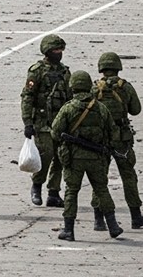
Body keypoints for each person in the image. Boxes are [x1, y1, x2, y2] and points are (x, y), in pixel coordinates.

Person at [52, 71, 122, 240]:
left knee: (71, 192)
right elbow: (113, 132)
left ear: (73, 87)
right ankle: (113, 225)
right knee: (101, 190)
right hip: (96, 157)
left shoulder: (68, 108)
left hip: (74, 158)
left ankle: (68, 230)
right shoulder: (100, 107)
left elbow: (55, 132)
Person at [90, 51, 143, 229]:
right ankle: (136, 217)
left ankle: (99, 219)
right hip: (121, 139)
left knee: (99, 178)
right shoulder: (125, 87)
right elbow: (136, 109)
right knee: (128, 176)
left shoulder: (95, 88)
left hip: (100, 139)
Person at [22, 34, 71, 208]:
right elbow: (27, 97)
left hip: (61, 121)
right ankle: (37, 185)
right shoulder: (37, 71)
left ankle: (53, 192)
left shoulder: (65, 71)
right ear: (47, 52)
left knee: (60, 157)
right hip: (42, 122)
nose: (58, 53)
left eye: (60, 50)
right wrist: (28, 122)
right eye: (55, 50)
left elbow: (70, 97)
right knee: (46, 155)